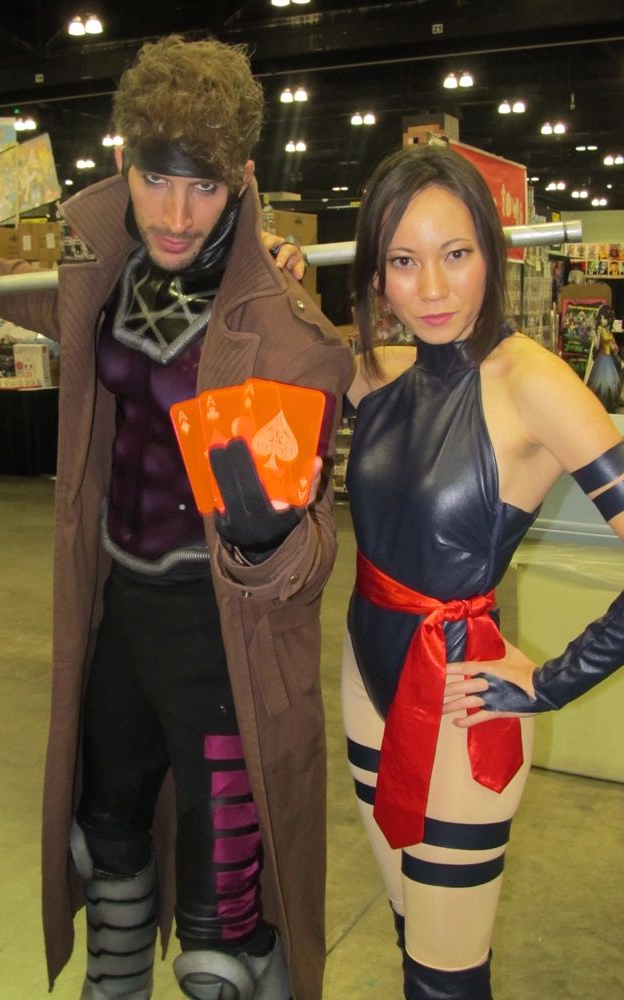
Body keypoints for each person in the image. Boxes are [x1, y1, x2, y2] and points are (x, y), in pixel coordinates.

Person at [0, 35, 353, 1000]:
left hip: (217, 642)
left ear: (241, 180)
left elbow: (310, 559)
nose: (175, 215)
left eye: (203, 187)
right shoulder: (108, 274)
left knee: (225, 933)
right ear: (124, 163)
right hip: (117, 619)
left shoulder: (281, 333)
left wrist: (271, 541)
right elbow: (16, 288)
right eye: (156, 180)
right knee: (109, 855)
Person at [341, 144, 624, 999]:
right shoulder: (381, 377)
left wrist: (553, 681)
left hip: (463, 706)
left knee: (443, 979)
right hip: (364, 687)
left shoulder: (532, 382)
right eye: (403, 261)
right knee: (413, 938)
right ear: (377, 276)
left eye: (456, 253)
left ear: (492, 256)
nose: (432, 289)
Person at [585, 302, 621, 412]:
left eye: (604, 318)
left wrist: (615, 347)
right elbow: (597, 345)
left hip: (609, 359)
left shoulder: (609, 330)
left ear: (609, 319)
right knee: (600, 384)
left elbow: (612, 344)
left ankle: (609, 405)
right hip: (602, 359)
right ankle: (598, 405)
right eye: (600, 318)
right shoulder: (600, 329)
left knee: (611, 383)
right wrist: (594, 338)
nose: (602, 320)